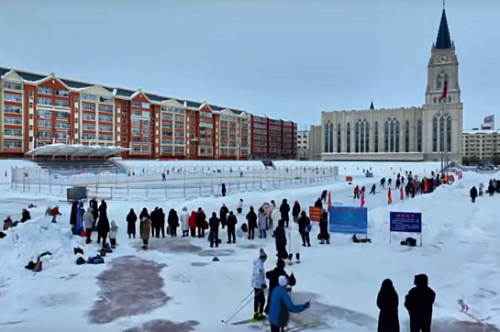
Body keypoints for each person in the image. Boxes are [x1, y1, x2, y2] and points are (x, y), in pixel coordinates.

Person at [251, 248, 267, 320]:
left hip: (255, 284)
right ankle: (260, 313)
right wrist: (262, 284)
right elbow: (259, 275)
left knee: (256, 299)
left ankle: (256, 313)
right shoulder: (260, 265)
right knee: (262, 300)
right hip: (258, 285)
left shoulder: (257, 263)